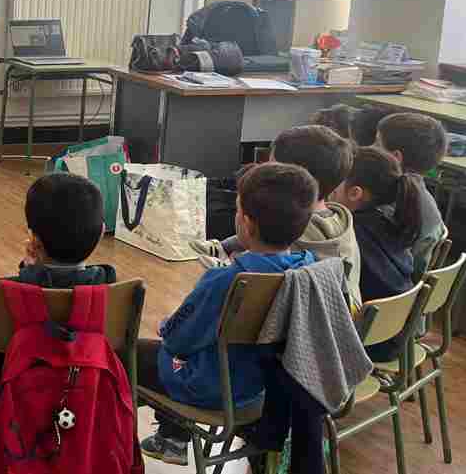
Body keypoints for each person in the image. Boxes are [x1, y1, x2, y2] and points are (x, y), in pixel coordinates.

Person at [140, 163, 317, 466]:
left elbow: (179, 340)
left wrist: (166, 325)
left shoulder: (227, 280)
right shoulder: (308, 269)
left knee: (126, 355)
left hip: (214, 388)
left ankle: (164, 440)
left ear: (246, 223)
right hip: (265, 389)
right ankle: (169, 437)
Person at [191, 125, 361, 307]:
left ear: (293, 178)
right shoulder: (340, 221)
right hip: (343, 320)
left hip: (286, 321)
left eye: (271, 168)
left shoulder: (290, 226)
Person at [330, 146, 425, 361]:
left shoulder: (350, 234)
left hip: (365, 346)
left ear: (355, 193)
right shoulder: (388, 221)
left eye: (335, 185)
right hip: (395, 337)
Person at [375, 112, 449, 276]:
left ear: (395, 157)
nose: (371, 148)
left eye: (377, 144)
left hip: (381, 287)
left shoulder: (384, 210)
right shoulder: (427, 200)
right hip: (410, 286)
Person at [13, 172, 114, 286]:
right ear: (101, 233)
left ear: (34, 241)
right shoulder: (112, 287)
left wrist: (29, 269)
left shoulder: (3, 290)